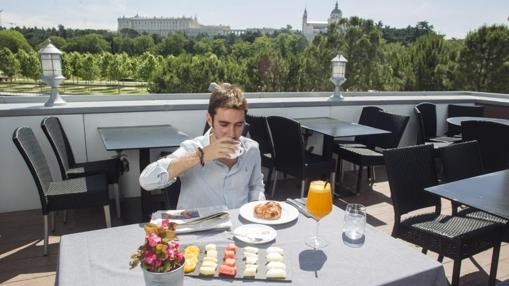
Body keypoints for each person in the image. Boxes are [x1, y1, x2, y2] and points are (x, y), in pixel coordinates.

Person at [139, 83, 266, 209]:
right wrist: (202, 155)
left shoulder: (252, 149)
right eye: (224, 124)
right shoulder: (192, 148)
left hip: (239, 226)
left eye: (238, 125)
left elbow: (256, 186)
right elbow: (146, 180)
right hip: (199, 227)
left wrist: (258, 211)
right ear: (210, 120)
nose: (232, 133)